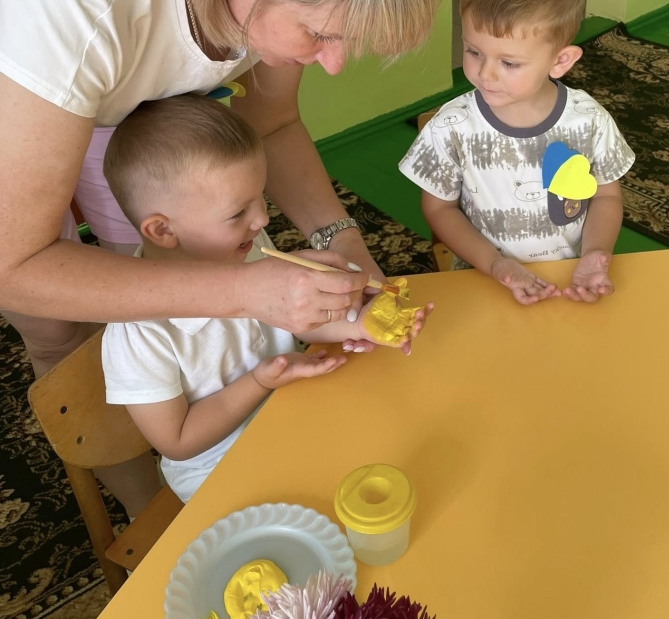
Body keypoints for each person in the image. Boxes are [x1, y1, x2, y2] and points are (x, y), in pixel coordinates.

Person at [0, 0, 444, 515]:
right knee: (55, 321)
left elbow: (271, 121)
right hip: (32, 27)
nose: (332, 64)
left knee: (154, 235)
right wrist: (244, 291)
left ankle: (159, 405)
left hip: (96, 33)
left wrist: (340, 239)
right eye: (319, 34)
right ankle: (145, 501)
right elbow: (14, 266)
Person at [101, 95, 432, 503]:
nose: (262, 219)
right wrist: (259, 382)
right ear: (163, 231)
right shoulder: (137, 333)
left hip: (294, 414)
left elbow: (297, 317)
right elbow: (178, 441)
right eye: (238, 212)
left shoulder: (247, 244)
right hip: (221, 472)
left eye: (260, 197)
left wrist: (361, 324)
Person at [399, 0, 634, 304]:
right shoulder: (451, 128)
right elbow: (439, 208)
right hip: (482, 279)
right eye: (473, 51)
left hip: (569, 280)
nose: (485, 73)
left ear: (561, 61)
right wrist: (495, 265)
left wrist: (594, 254)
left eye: (508, 62)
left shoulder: (590, 121)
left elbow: (606, 195)